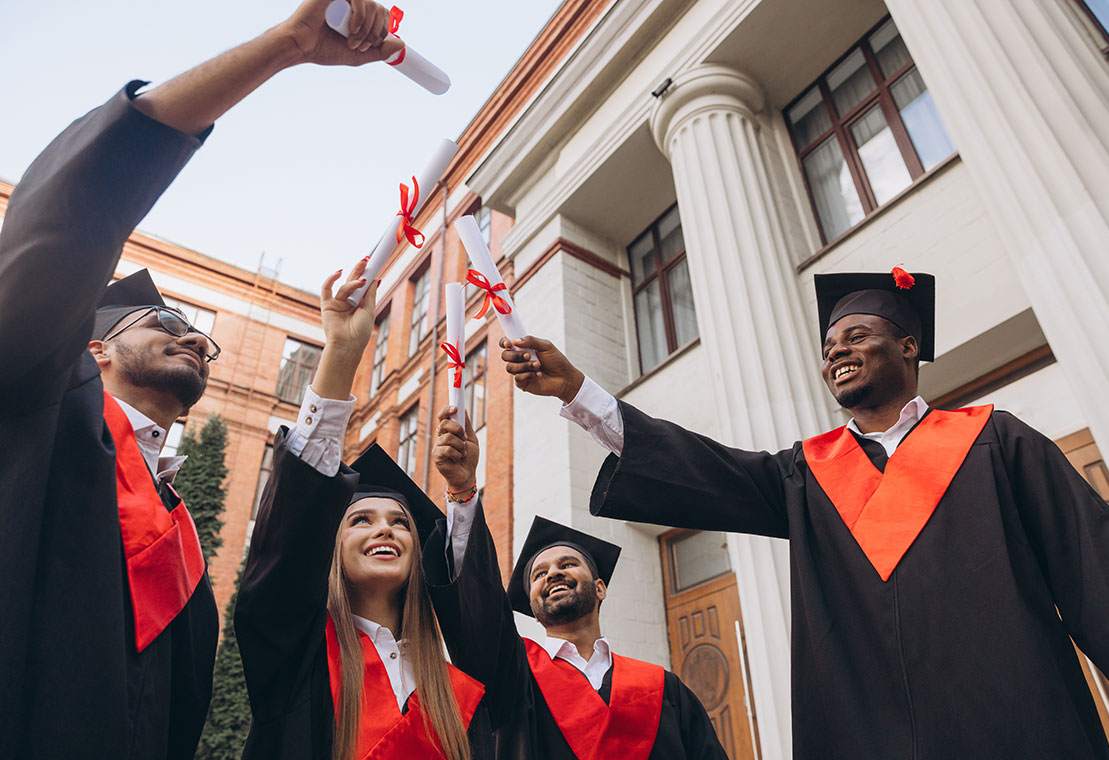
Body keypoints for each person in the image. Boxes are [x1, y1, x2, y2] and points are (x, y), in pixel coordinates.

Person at [499, 269, 1109, 760]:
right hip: (866, 733)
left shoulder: (997, 441)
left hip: (1016, 722)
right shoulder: (806, 473)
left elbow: (1099, 573)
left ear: (908, 345)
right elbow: (700, 466)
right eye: (829, 344)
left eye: (857, 336)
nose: (836, 351)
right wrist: (578, 393)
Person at [0, 3, 403, 757]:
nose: (190, 333)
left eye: (199, 334)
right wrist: (284, 46)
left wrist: (341, 357)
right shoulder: (34, 409)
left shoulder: (182, 528)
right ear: (90, 351)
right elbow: (69, 220)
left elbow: (282, 567)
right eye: (159, 322)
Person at [236, 264, 490, 760]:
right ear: (329, 546)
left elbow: (480, 611)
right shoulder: (296, 653)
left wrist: (462, 490)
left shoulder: (453, 684)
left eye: (400, 522)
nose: (385, 529)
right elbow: (288, 547)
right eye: (360, 519)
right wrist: (343, 355)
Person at [429, 407, 729, 759]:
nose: (553, 573)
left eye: (568, 564)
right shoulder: (514, 674)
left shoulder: (663, 688)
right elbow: (478, 608)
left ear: (600, 587)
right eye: (539, 574)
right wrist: (463, 491)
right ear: (534, 609)